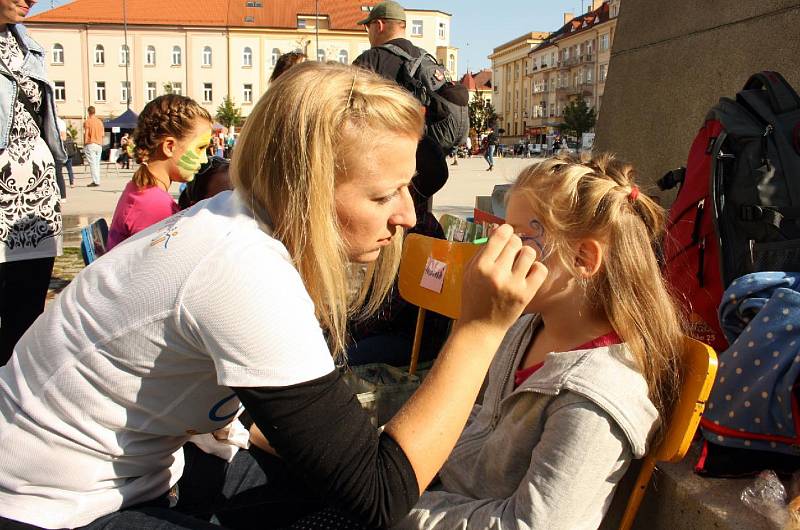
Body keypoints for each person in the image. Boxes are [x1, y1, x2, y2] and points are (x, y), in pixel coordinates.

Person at [0, 61, 547, 530]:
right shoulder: (241, 269)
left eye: (407, 189)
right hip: (47, 506)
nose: (406, 215)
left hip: (122, 471)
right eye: (384, 194)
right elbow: (380, 494)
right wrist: (480, 329)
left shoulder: (234, 223)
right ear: (305, 187)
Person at [394, 154, 684, 530]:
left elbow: (532, 525)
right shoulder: (524, 328)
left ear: (583, 257)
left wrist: (403, 510)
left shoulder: (596, 397)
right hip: (444, 495)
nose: (496, 251)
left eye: (519, 238)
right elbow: (473, 420)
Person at [0, 0, 66, 367]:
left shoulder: (29, 45)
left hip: (36, 191)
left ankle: (12, 401)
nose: (31, 1)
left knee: (26, 308)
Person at [106, 94, 212, 251]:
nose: (204, 160)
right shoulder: (154, 205)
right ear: (169, 147)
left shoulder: (141, 189)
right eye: (200, 148)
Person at [83, 105, 103, 187]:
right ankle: (97, 179)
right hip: (99, 144)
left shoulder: (88, 121)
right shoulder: (100, 122)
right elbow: (102, 134)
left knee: (92, 163)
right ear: (95, 112)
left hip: (91, 143)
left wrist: (85, 143)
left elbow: (86, 133)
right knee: (97, 163)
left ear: (88, 112)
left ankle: (96, 181)